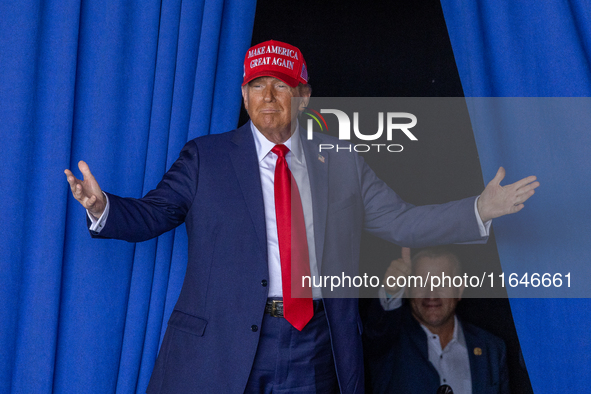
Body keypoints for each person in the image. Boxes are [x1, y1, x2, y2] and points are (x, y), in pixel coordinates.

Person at [64, 40, 538, 393]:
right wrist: (104, 207)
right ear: (244, 95)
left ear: (303, 96)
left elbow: (401, 222)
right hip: (225, 343)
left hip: (314, 343)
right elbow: (153, 214)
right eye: (257, 84)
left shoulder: (341, 159)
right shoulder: (205, 158)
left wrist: (479, 209)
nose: (268, 96)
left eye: (281, 85)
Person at [363, 247, 510, 394]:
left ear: (459, 289)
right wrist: (391, 291)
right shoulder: (389, 341)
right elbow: (377, 331)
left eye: (442, 283)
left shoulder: (492, 348)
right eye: (421, 283)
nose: (431, 294)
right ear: (407, 289)